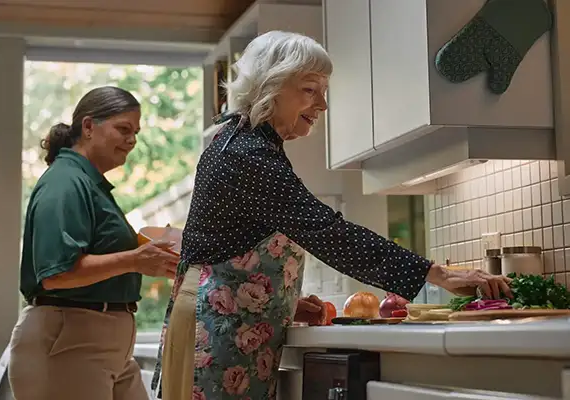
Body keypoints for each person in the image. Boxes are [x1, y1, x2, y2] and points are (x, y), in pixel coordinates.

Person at [152, 31, 512, 400]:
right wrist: (437, 274)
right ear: (271, 86)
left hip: (223, 318)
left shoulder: (244, 142)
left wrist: (283, 301)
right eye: (310, 89)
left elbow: (236, 244)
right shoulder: (249, 154)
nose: (322, 104)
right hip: (217, 324)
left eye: (323, 90)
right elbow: (328, 232)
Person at [8, 86, 180, 400]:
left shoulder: (89, 183)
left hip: (104, 345)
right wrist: (134, 260)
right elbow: (56, 273)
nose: (132, 140)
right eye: (123, 129)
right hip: (69, 342)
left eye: (136, 132)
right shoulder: (65, 182)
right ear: (88, 126)